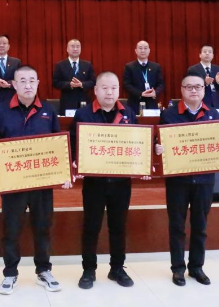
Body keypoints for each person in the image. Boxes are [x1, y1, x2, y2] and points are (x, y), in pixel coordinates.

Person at [0, 65, 72, 295]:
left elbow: (58, 143)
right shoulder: (2, 111)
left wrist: (64, 172)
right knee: (11, 229)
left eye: (32, 80)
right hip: (13, 182)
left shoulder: (48, 110)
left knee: (43, 227)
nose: (28, 85)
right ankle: (10, 273)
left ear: (38, 83)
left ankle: (44, 270)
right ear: (14, 84)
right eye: (22, 81)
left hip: (41, 182)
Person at [154, 73, 219, 287]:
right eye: (189, 87)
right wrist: (157, 147)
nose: (194, 90)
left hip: (204, 179)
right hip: (177, 180)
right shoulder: (169, 115)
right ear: (182, 90)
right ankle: (178, 268)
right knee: (177, 225)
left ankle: (196, 267)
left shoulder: (213, 114)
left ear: (204, 90)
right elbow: (159, 141)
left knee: (200, 225)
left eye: (198, 87)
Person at [69, 72, 151, 290]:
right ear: (95, 90)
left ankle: (117, 268)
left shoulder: (128, 113)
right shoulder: (83, 114)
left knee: (118, 226)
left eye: (114, 88)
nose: (109, 92)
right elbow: (73, 143)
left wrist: (144, 163)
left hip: (121, 183)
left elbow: (140, 142)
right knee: (91, 226)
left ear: (118, 91)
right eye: (104, 88)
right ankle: (88, 270)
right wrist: (76, 161)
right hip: (94, 183)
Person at [52, 39, 96, 115]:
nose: (75, 49)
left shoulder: (87, 65)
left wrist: (82, 84)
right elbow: (55, 82)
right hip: (67, 102)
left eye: (78, 46)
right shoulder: (60, 65)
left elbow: (93, 82)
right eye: (72, 46)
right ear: (67, 49)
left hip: (84, 101)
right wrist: (69, 84)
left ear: (80, 49)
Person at [123, 40, 165, 112]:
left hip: (152, 104)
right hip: (135, 104)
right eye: (140, 48)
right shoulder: (129, 67)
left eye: (145, 48)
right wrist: (140, 94)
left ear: (149, 50)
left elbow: (161, 84)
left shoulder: (156, 67)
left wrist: (155, 93)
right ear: (136, 51)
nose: (143, 50)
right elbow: (126, 85)